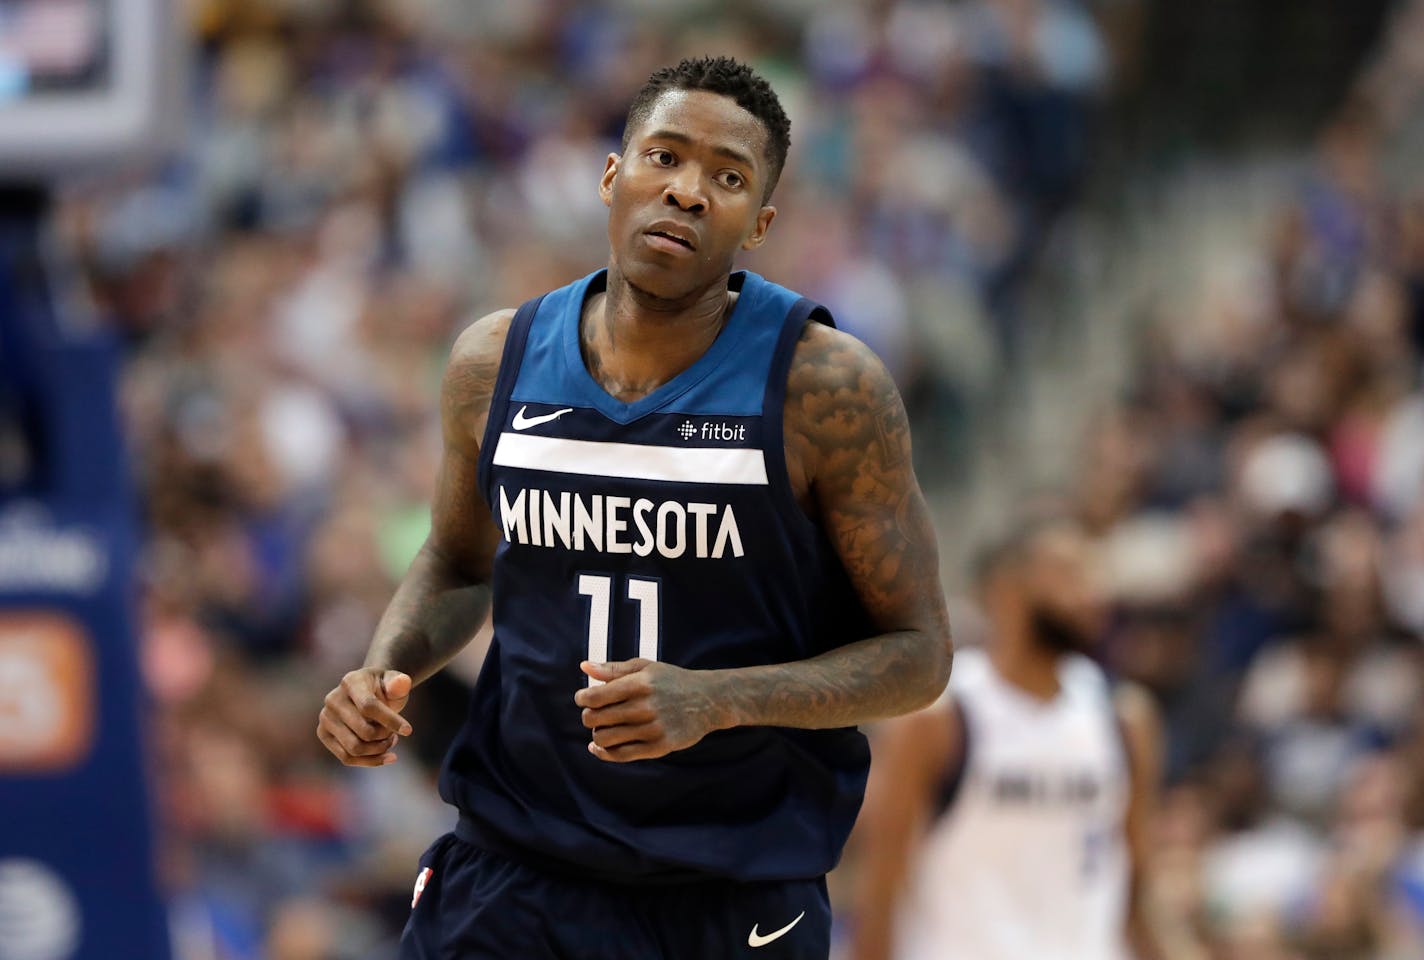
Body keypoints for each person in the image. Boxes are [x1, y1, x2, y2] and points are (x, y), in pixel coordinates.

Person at [316, 56, 953, 959]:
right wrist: (384, 671)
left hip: (725, 895)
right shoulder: (493, 360)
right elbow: (458, 564)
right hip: (511, 870)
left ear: (760, 222)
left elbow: (921, 655)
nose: (688, 192)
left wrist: (716, 701)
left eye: (727, 177)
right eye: (665, 156)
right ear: (613, 175)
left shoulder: (824, 386)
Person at [849, 517, 1164, 960]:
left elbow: (1139, 889)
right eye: (1070, 572)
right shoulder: (939, 718)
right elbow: (880, 888)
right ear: (1006, 588)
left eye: (1095, 574)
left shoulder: (1124, 717)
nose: (1092, 592)